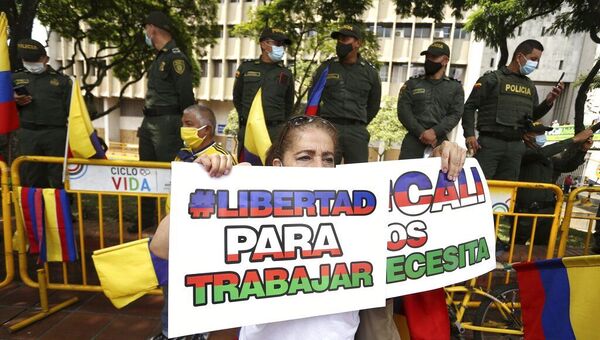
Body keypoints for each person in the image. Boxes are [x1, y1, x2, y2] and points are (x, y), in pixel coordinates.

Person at [151, 115, 466, 340]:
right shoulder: (249, 209)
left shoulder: (363, 214)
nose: (319, 167)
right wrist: (205, 190)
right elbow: (162, 246)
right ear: (279, 165)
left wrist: (440, 162)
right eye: (305, 157)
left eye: (327, 159)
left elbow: (427, 229)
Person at [151, 104, 237, 340]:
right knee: (172, 289)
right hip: (176, 233)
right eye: (182, 123)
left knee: (199, 291)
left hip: (203, 239)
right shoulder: (183, 154)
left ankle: (201, 334)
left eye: (187, 124)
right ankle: (170, 333)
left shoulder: (221, 158)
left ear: (206, 129)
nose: (182, 128)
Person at [462, 39, 564, 180]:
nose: (535, 64)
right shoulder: (492, 79)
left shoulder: (530, 86)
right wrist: (469, 135)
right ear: (519, 57)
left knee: (506, 193)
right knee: (479, 186)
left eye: (538, 60)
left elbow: (532, 117)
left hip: (515, 147)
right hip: (490, 144)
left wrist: (549, 101)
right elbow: (469, 106)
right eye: (533, 59)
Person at [132, 11, 195, 233]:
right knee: (146, 172)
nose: (145, 33)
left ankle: (174, 220)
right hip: (150, 122)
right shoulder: (160, 58)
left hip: (168, 124)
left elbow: (186, 95)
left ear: (152, 29)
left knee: (171, 173)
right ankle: (145, 218)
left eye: (146, 28)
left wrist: (188, 124)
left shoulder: (176, 58)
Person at [309, 24, 381, 164]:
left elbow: (374, 104)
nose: (341, 43)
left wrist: (359, 123)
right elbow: (313, 99)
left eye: (345, 39)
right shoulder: (326, 68)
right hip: (329, 128)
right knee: (325, 170)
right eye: (339, 39)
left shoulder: (370, 72)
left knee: (357, 175)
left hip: (356, 131)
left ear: (358, 43)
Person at [512, 123, 593, 245]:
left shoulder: (547, 157)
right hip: (525, 211)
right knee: (516, 247)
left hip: (546, 211)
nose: (542, 137)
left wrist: (582, 150)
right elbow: (540, 154)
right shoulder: (520, 152)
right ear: (526, 136)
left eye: (543, 134)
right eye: (539, 134)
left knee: (542, 250)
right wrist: (574, 139)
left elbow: (567, 166)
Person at [13, 39, 71, 188]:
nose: (30, 64)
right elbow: (5, 109)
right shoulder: (14, 79)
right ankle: (35, 210)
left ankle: (60, 209)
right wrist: (14, 101)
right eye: (26, 60)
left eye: (34, 60)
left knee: (58, 178)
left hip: (55, 134)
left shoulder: (62, 81)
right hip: (27, 134)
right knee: (31, 177)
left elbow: (73, 110)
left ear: (46, 59)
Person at [233, 27, 294, 158]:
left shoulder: (286, 73)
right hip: (249, 130)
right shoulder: (246, 68)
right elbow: (237, 98)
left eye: (282, 45)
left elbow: (289, 105)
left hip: (274, 132)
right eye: (277, 44)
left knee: (272, 170)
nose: (281, 47)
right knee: (247, 169)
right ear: (263, 44)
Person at [397, 41, 464, 159]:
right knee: (407, 175)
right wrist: (421, 132)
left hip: (440, 141)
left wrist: (434, 132)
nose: (429, 60)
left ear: (445, 61)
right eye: (427, 57)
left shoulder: (455, 88)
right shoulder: (412, 84)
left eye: (434, 57)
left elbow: (455, 114)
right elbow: (403, 111)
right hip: (413, 140)